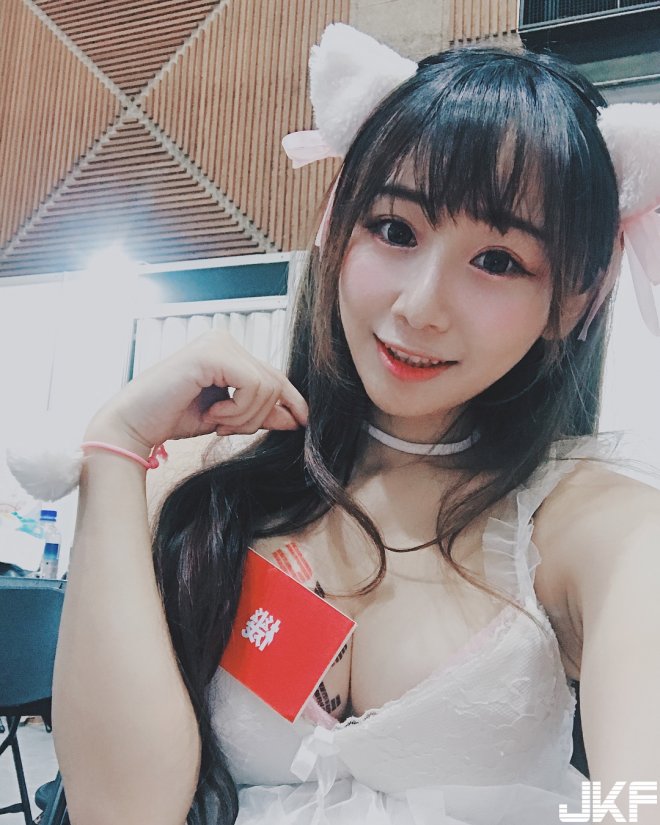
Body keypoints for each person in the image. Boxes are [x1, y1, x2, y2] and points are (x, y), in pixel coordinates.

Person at [49, 23, 660, 825]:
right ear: (338, 230)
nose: (419, 306)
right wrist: (118, 447)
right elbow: (120, 811)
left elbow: (643, 796)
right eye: (395, 229)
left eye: (499, 260)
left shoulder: (601, 527)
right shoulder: (210, 484)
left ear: (572, 301)